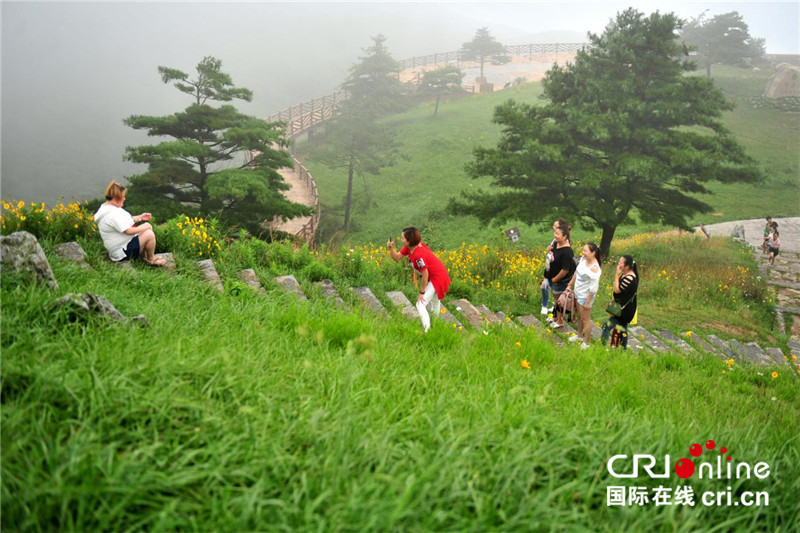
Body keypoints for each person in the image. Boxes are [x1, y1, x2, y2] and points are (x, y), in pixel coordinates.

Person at [387, 227, 451, 333]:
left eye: (403, 238)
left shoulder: (418, 256)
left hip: (437, 276)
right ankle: (434, 325)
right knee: (435, 300)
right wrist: (390, 249)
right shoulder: (410, 248)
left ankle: (427, 331)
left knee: (420, 304)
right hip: (437, 272)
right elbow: (397, 257)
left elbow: (425, 275)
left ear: (409, 241)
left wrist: (421, 293)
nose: (401, 239)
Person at [94, 181, 166, 266]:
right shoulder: (112, 214)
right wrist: (146, 226)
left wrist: (140, 217)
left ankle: (147, 256)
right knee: (149, 233)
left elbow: (124, 222)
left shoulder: (106, 208)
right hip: (122, 252)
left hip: (119, 248)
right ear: (117, 198)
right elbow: (128, 231)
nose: (124, 199)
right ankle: (151, 259)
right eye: (123, 196)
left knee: (145, 230)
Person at [566, 242, 602, 349]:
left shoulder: (594, 269)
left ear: (593, 253)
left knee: (586, 319)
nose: (583, 253)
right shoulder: (583, 260)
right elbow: (576, 273)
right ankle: (579, 335)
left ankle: (586, 342)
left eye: (585, 251)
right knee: (580, 317)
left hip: (585, 297)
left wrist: (587, 302)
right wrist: (570, 285)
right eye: (583, 250)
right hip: (578, 293)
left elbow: (593, 289)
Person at [600, 254, 639, 350]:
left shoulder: (629, 278)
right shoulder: (626, 274)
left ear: (627, 266)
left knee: (606, 327)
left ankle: (601, 347)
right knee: (622, 329)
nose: (618, 263)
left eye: (620, 262)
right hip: (622, 308)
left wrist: (616, 275)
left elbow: (617, 290)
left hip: (623, 310)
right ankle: (623, 349)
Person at [543, 224, 574, 329]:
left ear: (565, 236)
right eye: (555, 233)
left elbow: (565, 270)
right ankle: (556, 317)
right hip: (552, 278)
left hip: (559, 280)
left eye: (558, 234)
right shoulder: (556, 244)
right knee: (556, 300)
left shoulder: (567, 251)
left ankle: (560, 321)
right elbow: (550, 254)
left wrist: (555, 279)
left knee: (560, 301)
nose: (555, 236)